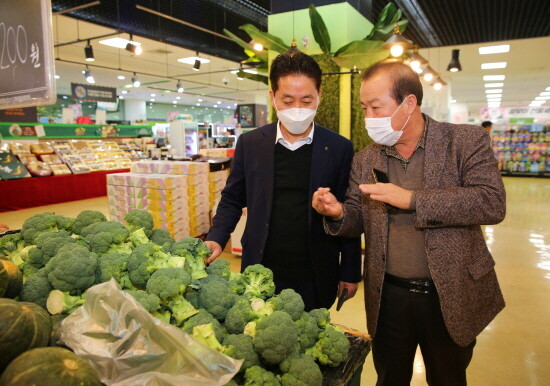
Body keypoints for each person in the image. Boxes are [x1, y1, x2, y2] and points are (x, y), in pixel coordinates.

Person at [312, 61, 506, 385]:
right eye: (365, 108)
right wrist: (337, 213)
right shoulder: (367, 158)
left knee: (448, 377)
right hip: (389, 297)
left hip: (450, 293)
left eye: (376, 107)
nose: (369, 117)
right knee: (389, 377)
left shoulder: (464, 141)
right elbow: (358, 214)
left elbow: (491, 202)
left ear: (409, 103)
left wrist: (412, 199)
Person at [204, 49, 362, 311]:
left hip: (316, 269)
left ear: (320, 96)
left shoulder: (338, 147)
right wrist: (217, 237)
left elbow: (349, 212)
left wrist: (350, 270)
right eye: (288, 101)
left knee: (313, 341)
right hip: (261, 266)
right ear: (273, 98)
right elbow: (233, 197)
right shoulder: (251, 143)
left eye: (306, 100)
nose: (297, 109)